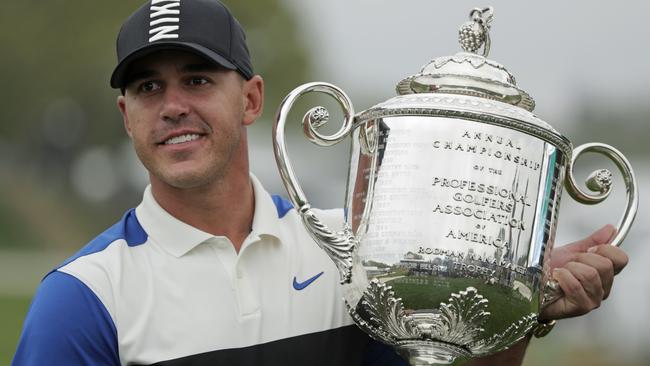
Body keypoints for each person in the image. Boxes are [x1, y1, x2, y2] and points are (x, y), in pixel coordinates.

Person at [12, 1, 629, 365]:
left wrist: (515, 303)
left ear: (251, 99)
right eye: (148, 88)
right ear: (127, 118)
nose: (172, 105)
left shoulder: (354, 251)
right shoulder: (84, 300)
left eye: (197, 80)